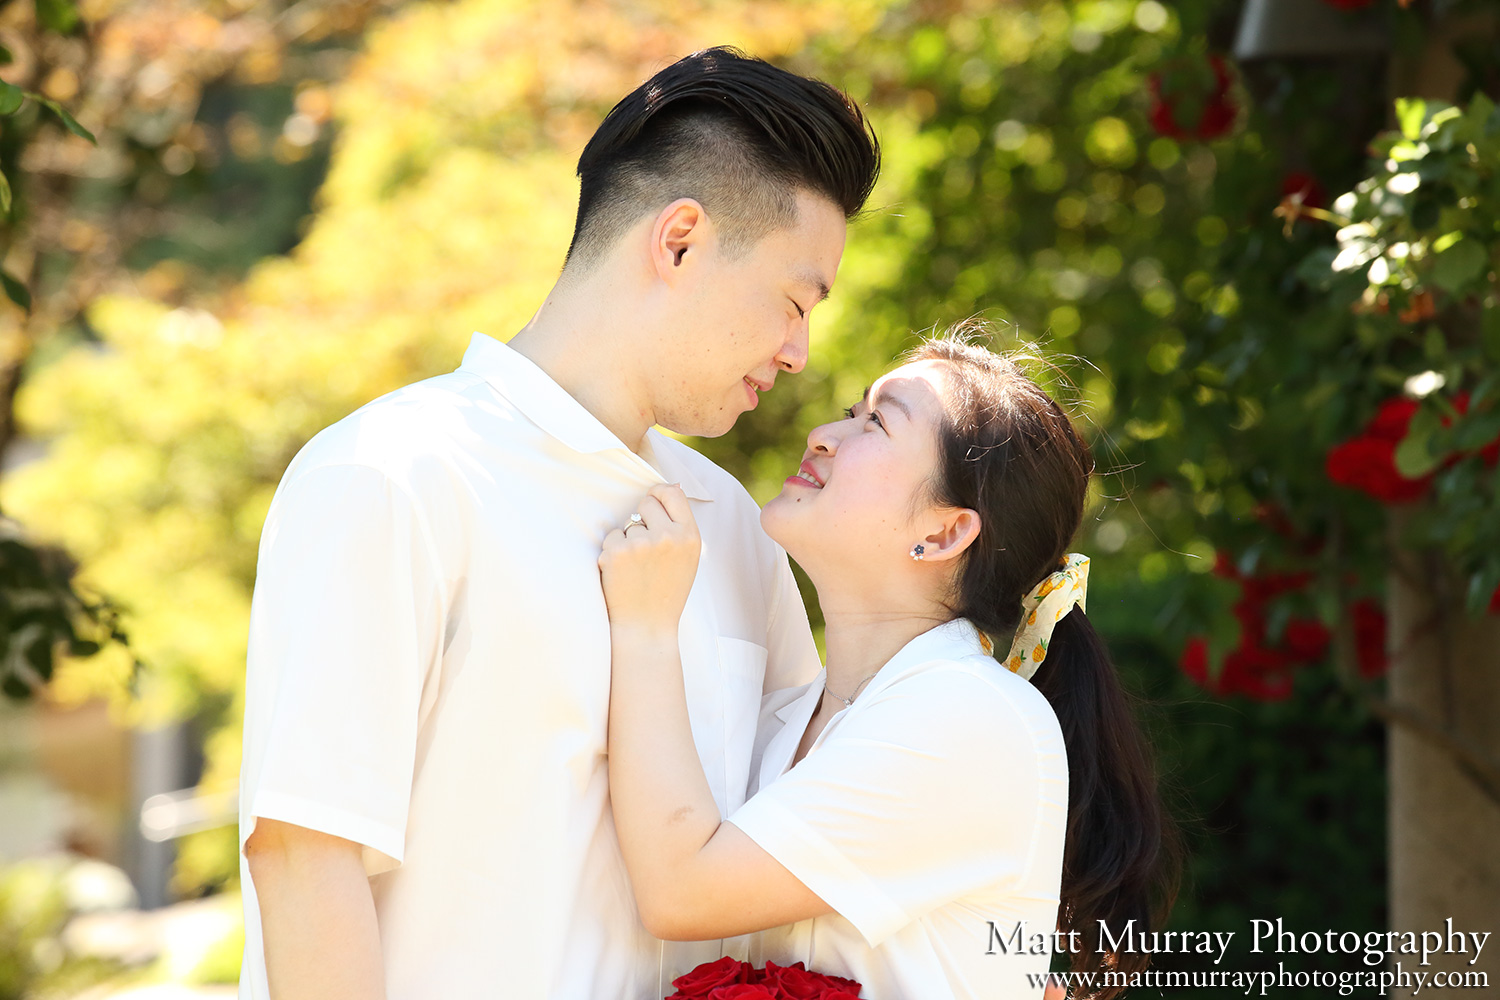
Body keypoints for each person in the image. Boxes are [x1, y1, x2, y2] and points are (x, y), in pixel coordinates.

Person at [237, 47, 880, 1000]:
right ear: (680, 242)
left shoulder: (736, 528)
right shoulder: (394, 475)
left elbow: (808, 825)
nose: (799, 352)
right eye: (794, 301)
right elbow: (304, 859)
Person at [599, 332, 1179, 1000]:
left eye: (874, 422)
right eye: (851, 412)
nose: (821, 434)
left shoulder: (971, 717)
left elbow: (684, 892)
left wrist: (643, 629)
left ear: (944, 533)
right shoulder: (797, 712)